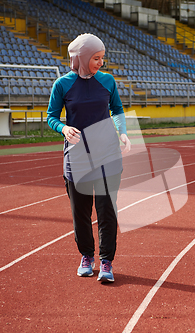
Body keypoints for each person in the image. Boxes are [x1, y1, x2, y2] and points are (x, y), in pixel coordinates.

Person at [47, 33, 131, 282]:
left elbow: (117, 109)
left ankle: (106, 262)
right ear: (81, 58)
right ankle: (87, 255)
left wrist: (123, 132)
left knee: (107, 212)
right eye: (96, 58)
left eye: (102, 57)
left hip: (108, 154)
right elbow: (51, 116)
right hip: (77, 159)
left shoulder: (107, 81)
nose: (101, 63)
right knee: (80, 213)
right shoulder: (62, 85)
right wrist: (62, 128)